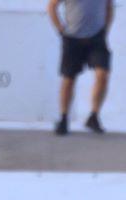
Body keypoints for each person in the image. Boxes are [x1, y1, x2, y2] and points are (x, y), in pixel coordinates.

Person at [48, 0, 115, 135]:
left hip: (96, 38)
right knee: (69, 79)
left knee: (103, 75)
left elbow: (109, 7)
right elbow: (52, 6)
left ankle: (94, 116)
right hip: (72, 38)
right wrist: (61, 29)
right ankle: (63, 118)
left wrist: (105, 29)